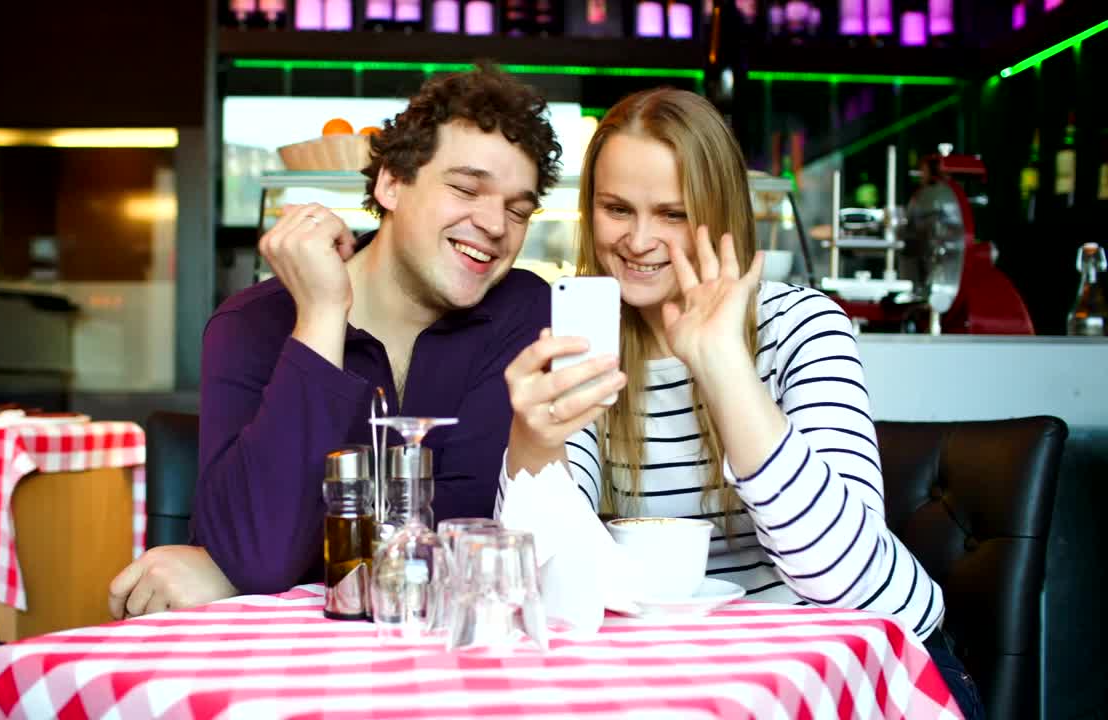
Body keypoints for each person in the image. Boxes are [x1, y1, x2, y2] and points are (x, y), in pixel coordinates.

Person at [498, 87, 984, 719]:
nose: (639, 240)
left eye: (672, 214)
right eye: (618, 208)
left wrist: (723, 363)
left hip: (874, 670)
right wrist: (532, 442)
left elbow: (846, 584)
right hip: (695, 673)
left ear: (717, 213)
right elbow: (542, 583)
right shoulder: (589, 340)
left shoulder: (802, 326)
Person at [108, 64, 563, 618]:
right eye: (467, 188)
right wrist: (321, 317)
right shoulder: (250, 323)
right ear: (390, 182)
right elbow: (261, 550)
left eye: (518, 209)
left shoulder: (524, 312)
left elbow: (469, 533)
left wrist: (233, 571)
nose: (496, 225)